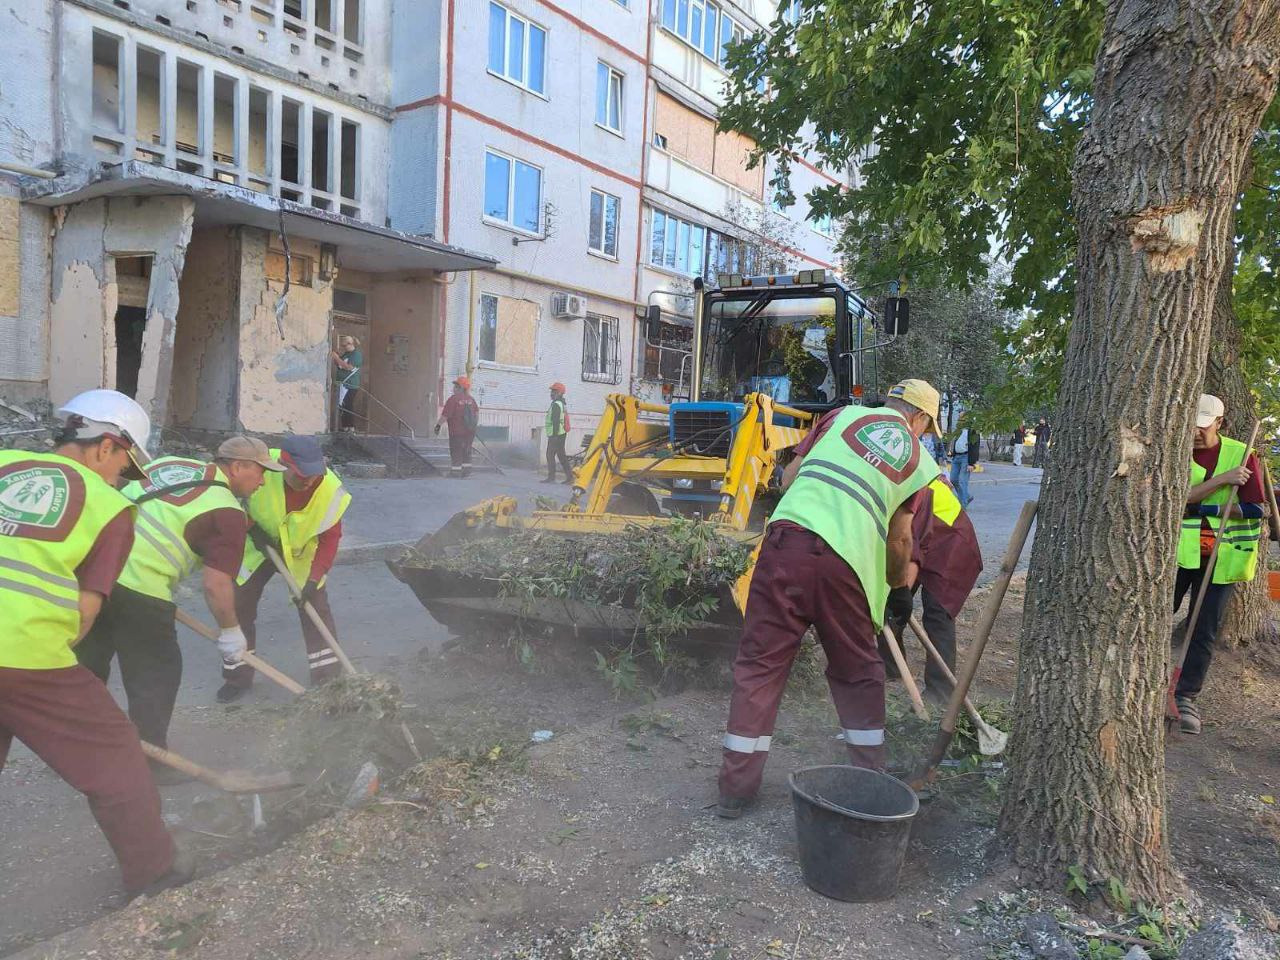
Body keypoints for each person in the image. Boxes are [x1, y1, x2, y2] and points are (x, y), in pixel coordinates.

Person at [716, 379, 943, 817]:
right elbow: (900, 539)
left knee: (760, 666)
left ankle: (735, 789)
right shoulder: (917, 458)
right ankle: (867, 778)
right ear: (919, 418)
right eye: (927, 429)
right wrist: (899, 591)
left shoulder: (840, 416)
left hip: (785, 545)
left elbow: (789, 477)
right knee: (857, 670)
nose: (924, 436)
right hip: (846, 567)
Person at [0, 390, 192, 897]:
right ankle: (158, 877)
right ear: (107, 445)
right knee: (117, 758)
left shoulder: (3, 462)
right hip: (24, 655)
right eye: (126, 465)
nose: (121, 477)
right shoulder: (110, 507)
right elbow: (87, 611)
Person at [77, 437, 284, 769]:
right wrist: (231, 632)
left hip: (93, 572)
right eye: (261, 473)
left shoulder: (169, 463)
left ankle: (76, 749)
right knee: (157, 674)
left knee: (88, 667)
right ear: (238, 467)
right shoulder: (226, 511)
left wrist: (249, 527)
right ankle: (151, 763)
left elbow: (166, 502)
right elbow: (216, 585)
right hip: (141, 588)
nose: (262, 482)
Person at [218, 436, 351, 702]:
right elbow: (229, 494)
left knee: (315, 609)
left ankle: (328, 680)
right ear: (283, 465)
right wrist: (250, 527)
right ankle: (238, 676)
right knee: (239, 605)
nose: (309, 482)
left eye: (314, 475)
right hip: (258, 546)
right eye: (302, 476)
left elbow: (330, 538)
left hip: (299, 553)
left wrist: (314, 578)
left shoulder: (329, 489)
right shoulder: (260, 464)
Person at [1174, 394, 1267, 734]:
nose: (1196, 433)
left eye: (1203, 426)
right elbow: (1175, 498)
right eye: (1192, 425)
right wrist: (1222, 481)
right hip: (1176, 555)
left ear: (1220, 423)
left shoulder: (1243, 454)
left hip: (1221, 558)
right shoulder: (1175, 450)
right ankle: (1146, 683)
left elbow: (1257, 509)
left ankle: (1185, 697)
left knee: (1204, 631)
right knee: (1151, 619)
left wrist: (1202, 508)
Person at [882, 474, 983, 706]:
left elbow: (911, 550)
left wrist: (900, 593)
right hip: (920, 538)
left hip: (951, 541)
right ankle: (890, 670)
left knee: (937, 614)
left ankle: (940, 694)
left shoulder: (910, 489)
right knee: (884, 605)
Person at [435, 376, 480, 478]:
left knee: (456, 451)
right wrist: (473, 427)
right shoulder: (471, 400)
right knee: (467, 451)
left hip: (457, 432)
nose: (453, 388)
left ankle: (455, 472)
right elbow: (476, 414)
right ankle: (466, 472)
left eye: (456, 386)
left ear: (460, 388)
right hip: (470, 432)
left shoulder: (453, 399)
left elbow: (445, 415)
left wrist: (438, 425)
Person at [331, 335, 362, 431]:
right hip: (342, 384)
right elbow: (339, 364)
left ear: (350, 344)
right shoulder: (346, 354)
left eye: (345, 346)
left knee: (348, 404)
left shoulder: (356, 354)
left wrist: (336, 358)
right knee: (342, 405)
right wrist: (337, 358)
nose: (344, 348)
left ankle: (351, 427)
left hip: (350, 384)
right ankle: (345, 427)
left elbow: (348, 367)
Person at [544, 382, 573, 484]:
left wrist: (554, 436)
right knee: (561, 455)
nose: (551, 393)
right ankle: (570, 477)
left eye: (554, 391)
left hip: (556, 434)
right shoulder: (562, 403)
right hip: (561, 433)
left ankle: (551, 477)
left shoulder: (556, 404)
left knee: (549, 455)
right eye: (552, 391)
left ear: (560, 393)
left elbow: (556, 421)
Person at [948, 417, 979, 508]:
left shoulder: (973, 431)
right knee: (953, 479)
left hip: (966, 457)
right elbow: (954, 442)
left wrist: (971, 463)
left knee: (962, 481)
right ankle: (967, 496)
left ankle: (963, 504)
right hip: (956, 457)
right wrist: (951, 452)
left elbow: (975, 447)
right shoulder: (958, 431)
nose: (959, 420)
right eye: (959, 418)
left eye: (962, 419)